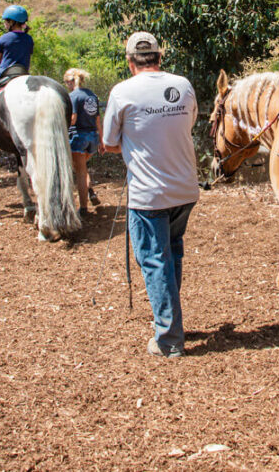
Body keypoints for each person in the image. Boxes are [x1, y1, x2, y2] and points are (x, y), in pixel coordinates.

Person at [101, 32, 199, 358]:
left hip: (148, 194)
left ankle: (169, 340)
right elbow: (188, 124)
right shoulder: (183, 85)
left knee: (155, 260)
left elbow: (109, 143)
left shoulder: (122, 92)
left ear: (130, 62)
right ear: (160, 57)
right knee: (172, 252)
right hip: (185, 189)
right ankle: (170, 319)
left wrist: (135, 144)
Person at [63, 68, 102, 217]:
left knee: (79, 172)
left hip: (78, 137)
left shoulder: (73, 96)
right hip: (92, 137)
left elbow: (72, 118)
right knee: (82, 168)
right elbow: (98, 119)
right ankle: (90, 191)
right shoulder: (92, 95)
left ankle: (84, 208)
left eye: (66, 83)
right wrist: (102, 140)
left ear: (70, 82)